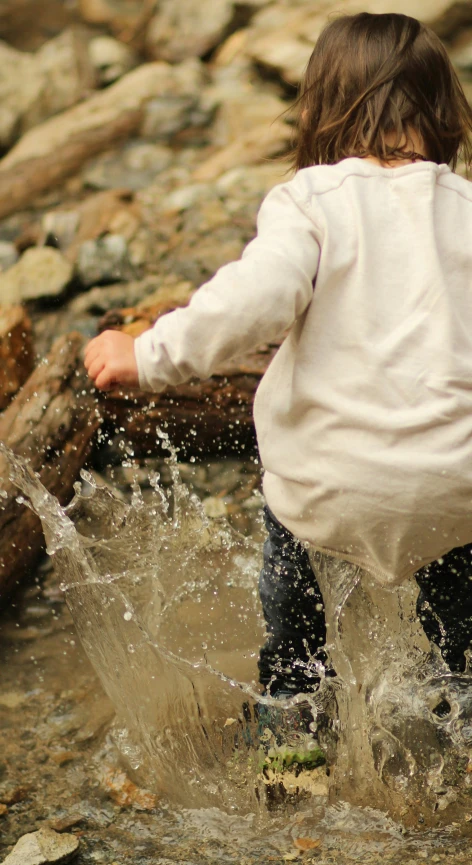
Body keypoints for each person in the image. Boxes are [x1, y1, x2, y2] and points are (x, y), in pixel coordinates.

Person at [85, 12, 472, 706]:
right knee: (463, 637)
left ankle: (291, 755)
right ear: (446, 113)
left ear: (321, 110)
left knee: (293, 636)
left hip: (324, 487)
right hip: (456, 485)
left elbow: (253, 299)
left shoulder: (312, 201)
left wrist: (147, 353)